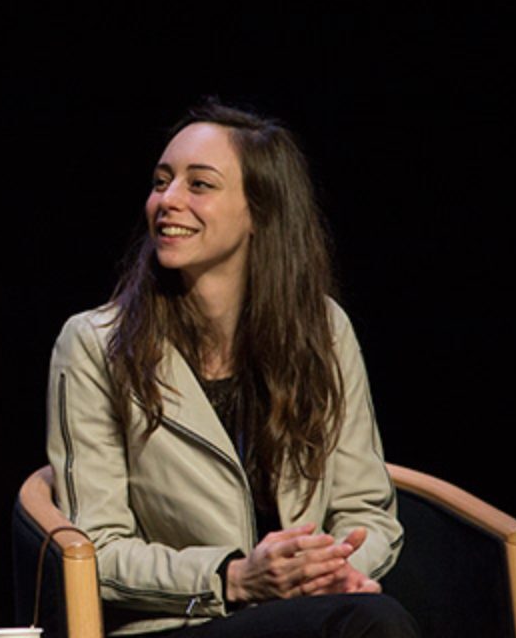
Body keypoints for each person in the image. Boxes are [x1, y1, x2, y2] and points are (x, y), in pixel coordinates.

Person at [45, 101, 418, 637]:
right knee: (373, 623)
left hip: (308, 613)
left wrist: (330, 570)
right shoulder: (95, 345)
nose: (168, 201)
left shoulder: (323, 330)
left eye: (199, 185)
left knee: (371, 618)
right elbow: (94, 550)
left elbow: (368, 512)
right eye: (161, 182)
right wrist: (234, 577)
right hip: (176, 623)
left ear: (260, 213)